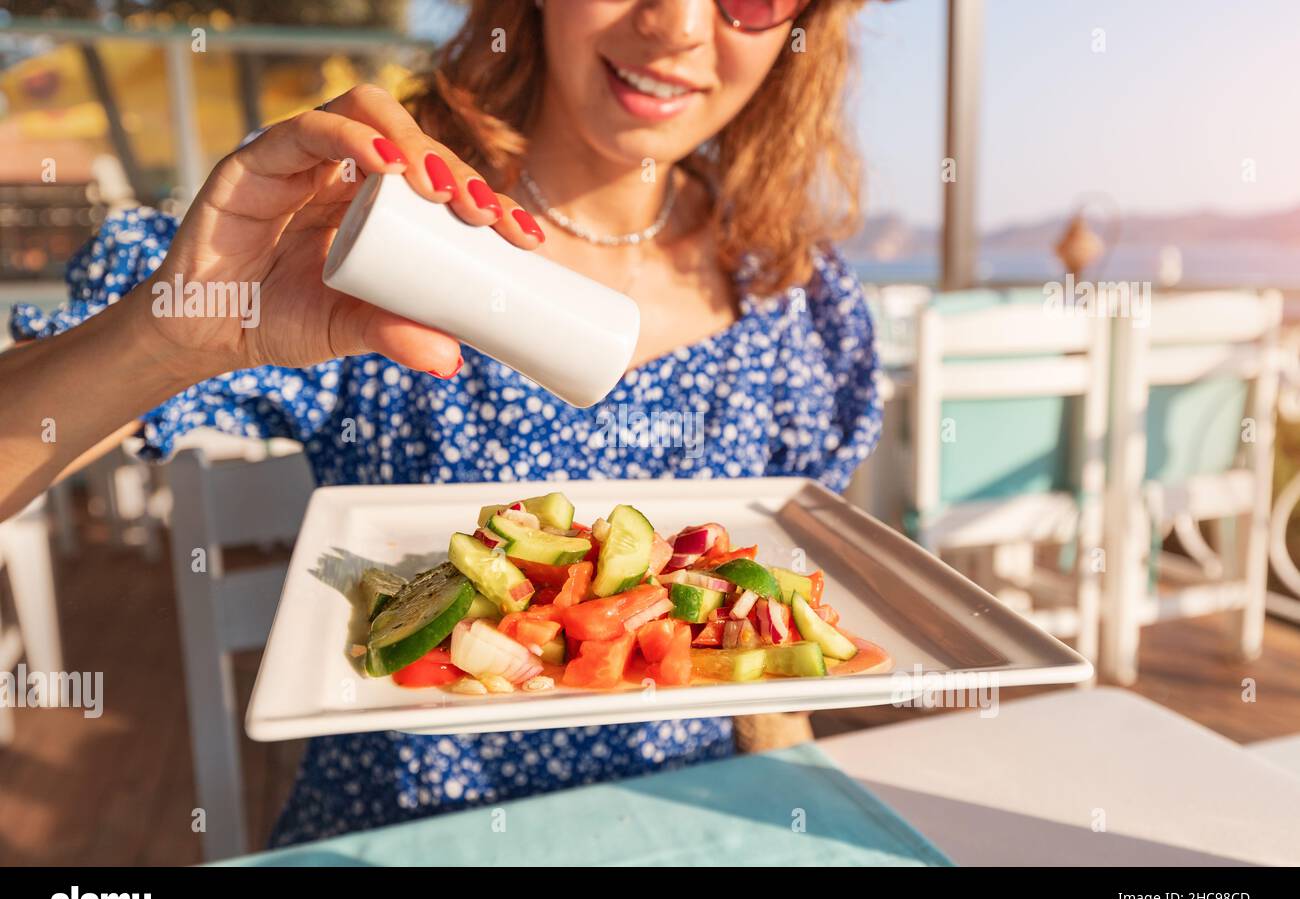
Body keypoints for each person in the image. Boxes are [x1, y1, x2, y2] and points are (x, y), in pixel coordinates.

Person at [0, 0, 881, 846]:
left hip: (692, 831)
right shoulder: (367, 232)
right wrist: (169, 338)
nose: (678, 25)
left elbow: (763, 671)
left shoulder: (799, 303)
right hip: (398, 836)